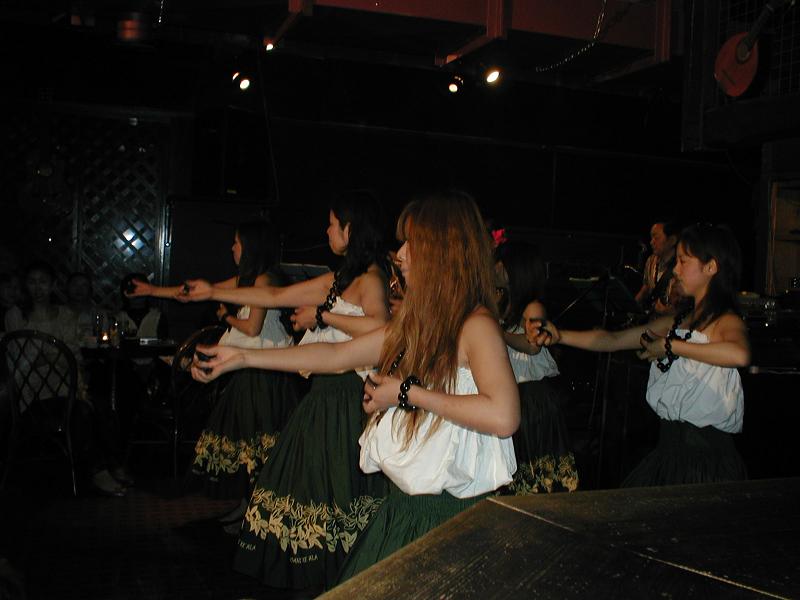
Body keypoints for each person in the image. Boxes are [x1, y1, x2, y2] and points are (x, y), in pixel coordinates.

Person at [191, 191, 520, 587]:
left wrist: (406, 393)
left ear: (443, 251)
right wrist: (242, 357)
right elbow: (335, 355)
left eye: (411, 243)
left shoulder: (475, 325)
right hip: (406, 509)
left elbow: (503, 416)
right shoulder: (420, 324)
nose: (400, 254)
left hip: (452, 516)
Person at [182, 190, 391, 590]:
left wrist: (324, 316)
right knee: (308, 487)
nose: (326, 230)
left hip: (347, 397)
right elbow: (275, 296)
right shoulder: (341, 278)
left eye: (332, 224)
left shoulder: (371, 279)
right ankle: (321, 577)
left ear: (350, 229)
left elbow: (383, 330)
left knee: (332, 489)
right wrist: (213, 292)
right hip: (323, 394)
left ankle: (339, 578)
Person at [529, 223, 749, 487]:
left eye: (683, 261)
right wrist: (560, 335)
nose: (676, 270)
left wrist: (671, 346)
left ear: (711, 267)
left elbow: (739, 354)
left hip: (706, 460)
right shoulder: (679, 321)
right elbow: (612, 340)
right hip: (670, 452)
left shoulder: (725, 320)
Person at [129, 221, 300, 516]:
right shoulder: (246, 279)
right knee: (245, 442)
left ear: (250, 247)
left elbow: (252, 328)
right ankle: (245, 508)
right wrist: (152, 289)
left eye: (237, 242)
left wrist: (225, 317)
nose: (232, 248)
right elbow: (194, 292)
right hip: (250, 368)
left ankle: (255, 512)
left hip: (266, 373)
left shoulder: (265, 280)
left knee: (257, 444)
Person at [4, 261, 127, 496]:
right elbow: (20, 355)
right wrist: (54, 356)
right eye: (32, 282)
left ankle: (113, 466)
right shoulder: (17, 314)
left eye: (43, 282)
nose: (37, 288)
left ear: (53, 285)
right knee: (81, 412)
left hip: (65, 385)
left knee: (102, 407)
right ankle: (98, 472)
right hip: (33, 392)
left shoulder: (65, 315)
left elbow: (73, 356)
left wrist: (52, 357)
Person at [495, 240, 578, 494]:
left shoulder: (532, 307)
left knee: (536, 473)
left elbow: (533, 345)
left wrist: (498, 333)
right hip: (514, 394)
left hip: (534, 398)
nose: (494, 268)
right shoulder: (501, 304)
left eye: (500, 264)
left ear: (514, 270)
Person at [635, 220, 679, 318]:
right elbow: (646, 287)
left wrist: (668, 311)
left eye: (656, 238)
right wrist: (632, 306)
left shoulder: (681, 265)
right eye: (651, 238)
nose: (651, 242)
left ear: (672, 240)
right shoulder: (651, 260)